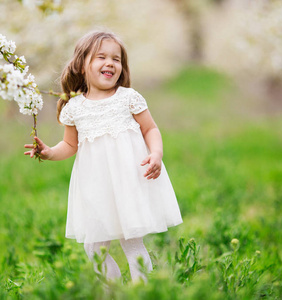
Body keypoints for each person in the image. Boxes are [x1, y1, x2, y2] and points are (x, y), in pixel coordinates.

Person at [24, 31, 182, 282]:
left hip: (128, 181)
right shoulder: (74, 108)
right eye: (101, 57)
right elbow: (69, 144)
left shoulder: (128, 98)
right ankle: (111, 288)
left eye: (116, 59)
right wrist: (49, 152)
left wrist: (156, 153)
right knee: (94, 247)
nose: (110, 63)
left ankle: (144, 290)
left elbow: (150, 129)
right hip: (95, 186)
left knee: (132, 242)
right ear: (82, 65)